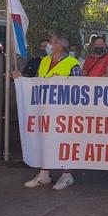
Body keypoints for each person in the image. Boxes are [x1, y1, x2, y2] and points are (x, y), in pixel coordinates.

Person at [14, 35, 81, 190]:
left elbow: (78, 88)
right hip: (43, 110)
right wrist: (21, 79)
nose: (48, 45)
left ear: (59, 45)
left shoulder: (72, 63)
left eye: (51, 42)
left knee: (63, 142)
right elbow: (37, 82)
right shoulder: (44, 61)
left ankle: (67, 175)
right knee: (43, 140)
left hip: (63, 112)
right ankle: (44, 174)